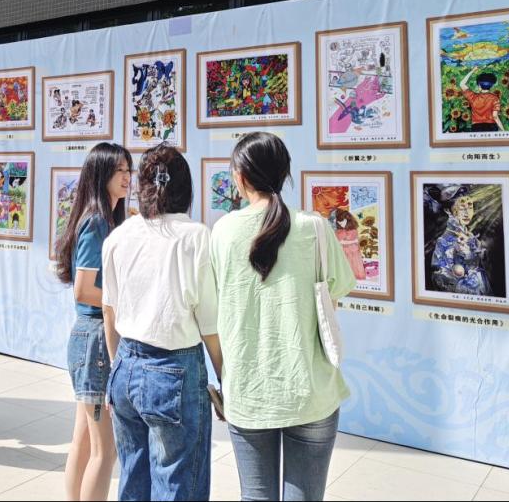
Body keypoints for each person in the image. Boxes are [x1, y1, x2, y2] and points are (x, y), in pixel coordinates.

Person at [212, 132, 355, 501]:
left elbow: (211, 309)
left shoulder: (223, 231)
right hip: (310, 388)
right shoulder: (314, 227)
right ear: (284, 174)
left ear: (240, 177)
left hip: (248, 389)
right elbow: (337, 292)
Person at [101, 143, 223, 501]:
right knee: (176, 483)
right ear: (185, 188)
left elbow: (109, 311)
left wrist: (116, 370)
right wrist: (226, 380)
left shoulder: (120, 235)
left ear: (142, 186)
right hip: (174, 370)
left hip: (125, 365)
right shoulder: (196, 236)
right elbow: (209, 324)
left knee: (133, 478)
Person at [55, 142, 133, 501]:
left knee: (84, 442)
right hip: (96, 341)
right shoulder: (97, 222)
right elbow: (84, 290)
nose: (127, 177)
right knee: (105, 451)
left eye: (128, 170)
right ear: (101, 175)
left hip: (92, 339)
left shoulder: (105, 220)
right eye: (119, 171)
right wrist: (128, 300)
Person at [460, 67, 505, 132]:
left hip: (476, 127)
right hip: (491, 126)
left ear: (479, 86)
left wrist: (472, 70)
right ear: (491, 86)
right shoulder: (494, 98)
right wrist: (503, 130)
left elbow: (462, 84)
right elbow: (495, 116)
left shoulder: (473, 97)